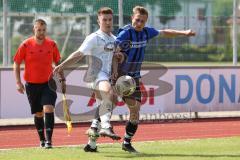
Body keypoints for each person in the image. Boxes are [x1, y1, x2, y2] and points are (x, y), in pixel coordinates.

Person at [114, 6, 196, 153]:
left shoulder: (146, 32)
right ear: (132, 18)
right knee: (119, 106)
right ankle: (96, 135)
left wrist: (184, 33)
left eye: (142, 21)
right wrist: (116, 60)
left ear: (146, 22)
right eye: (137, 20)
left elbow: (164, 32)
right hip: (121, 77)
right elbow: (113, 48)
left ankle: (126, 142)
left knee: (135, 113)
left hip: (135, 78)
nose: (139, 23)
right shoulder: (126, 33)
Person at [53, 7, 123, 152]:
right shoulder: (93, 37)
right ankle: (106, 127)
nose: (108, 22)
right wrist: (62, 65)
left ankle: (91, 142)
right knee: (109, 94)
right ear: (98, 21)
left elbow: (116, 57)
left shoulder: (115, 39)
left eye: (110, 19)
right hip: (95, 74)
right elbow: (79, 53)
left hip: (106, 75)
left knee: (111, 101)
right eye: (105, 20)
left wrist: (116, 69)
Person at [13, 19, 64, 149]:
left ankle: (49, 141)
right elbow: (17, 63)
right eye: (38, 29)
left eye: (43, 30)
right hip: (31, 85)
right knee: (39, 113)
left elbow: (58, 63)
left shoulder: (52, 44)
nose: (41, 32)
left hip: (48, 83)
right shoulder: (25, 45)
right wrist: (18, 82)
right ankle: (41, 139)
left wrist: (62, 79)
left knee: (48, 108)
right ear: (34, 29)